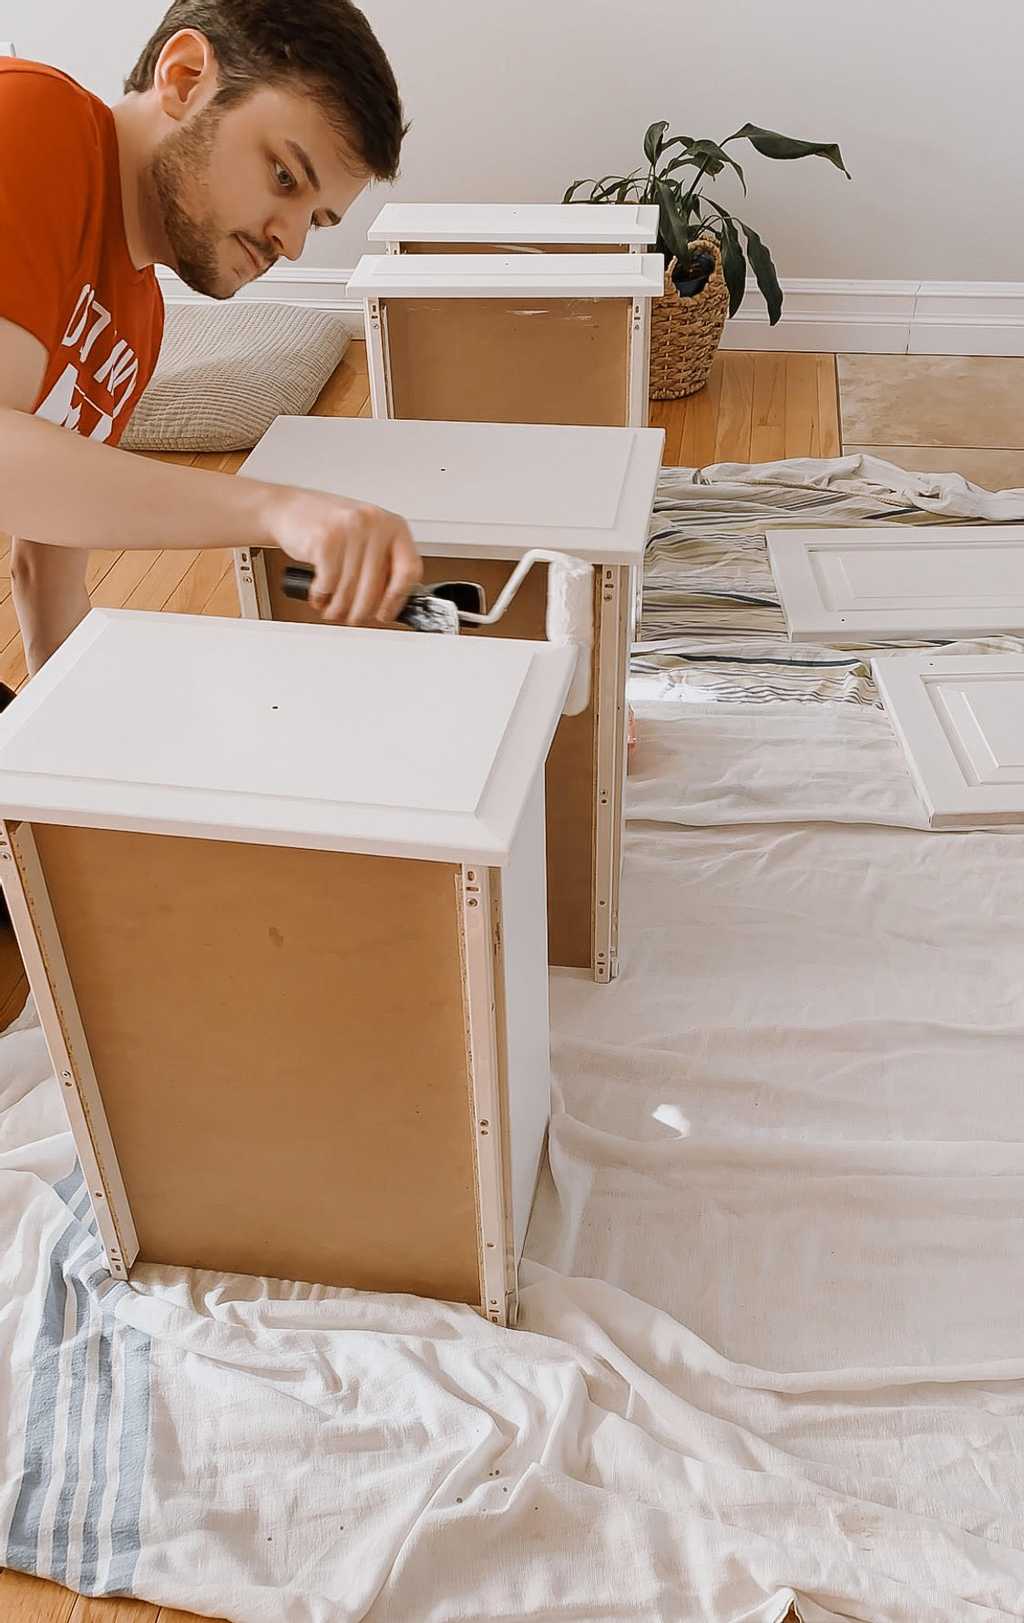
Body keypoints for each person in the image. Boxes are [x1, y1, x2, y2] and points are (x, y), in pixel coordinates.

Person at [0, 0, 422, 686]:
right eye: (285, 176)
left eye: (316, 218)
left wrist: (70, 761)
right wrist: (273, 509)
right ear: (186, 76)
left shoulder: (138, 318)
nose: (292, 240)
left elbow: (46, 568)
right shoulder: (32, 115)